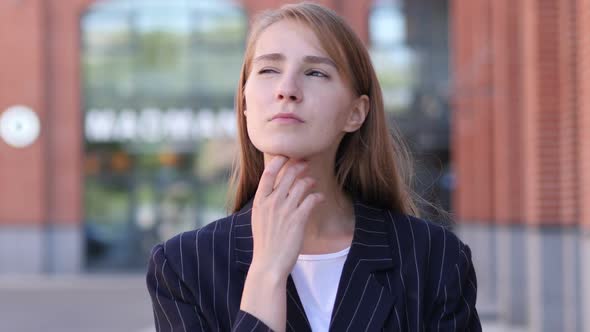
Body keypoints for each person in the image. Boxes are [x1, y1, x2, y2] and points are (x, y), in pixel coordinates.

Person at [146, 2, 481, 331]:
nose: (287, 90)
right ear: (245, 102)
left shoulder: (433, 259)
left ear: (356, 113)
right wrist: (267, 273)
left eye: (315, 72)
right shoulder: (184, 267)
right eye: (268, 70)